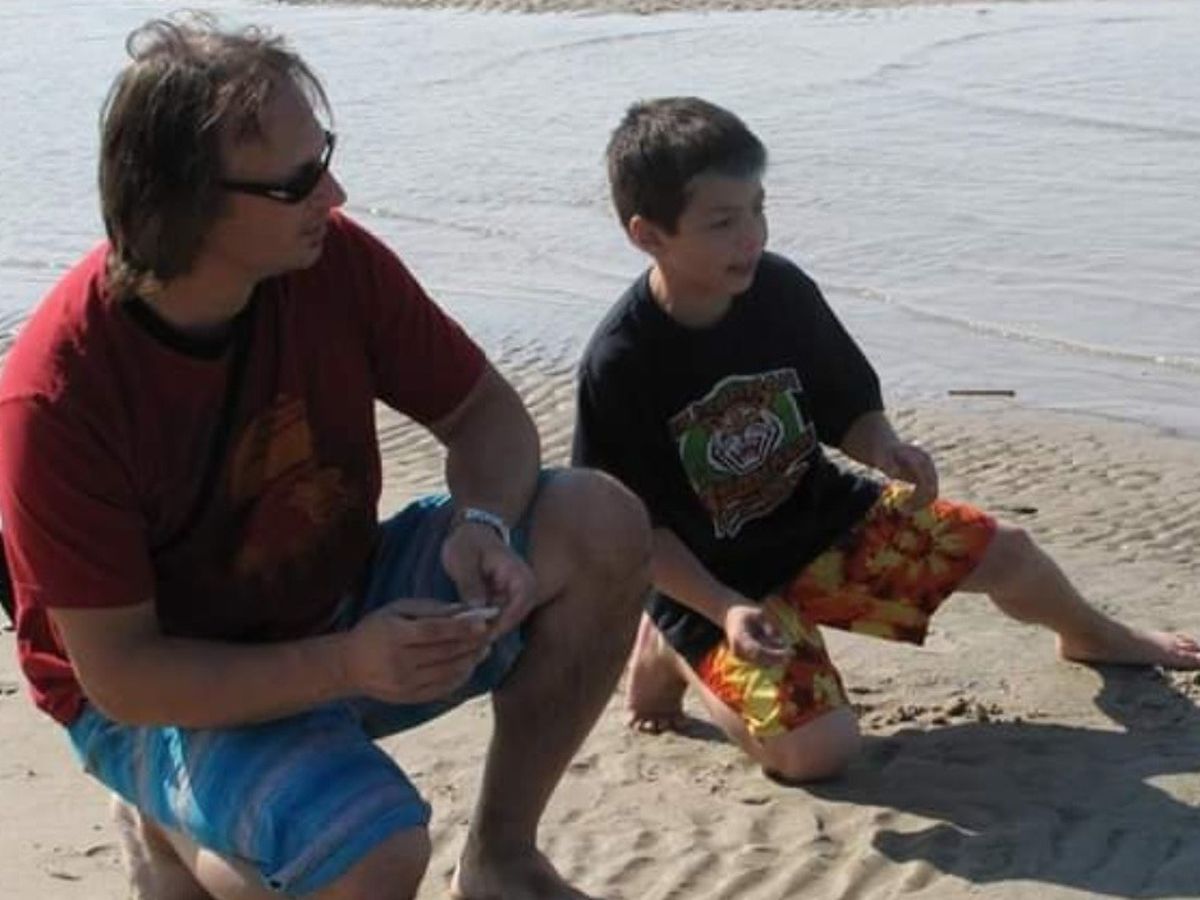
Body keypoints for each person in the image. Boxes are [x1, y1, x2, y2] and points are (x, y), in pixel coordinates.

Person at [0, 17, 650, 900]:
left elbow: (486, 415)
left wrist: (483, 524)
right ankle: (166, 818)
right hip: (162, 693)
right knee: (373, 854)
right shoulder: (58, 396)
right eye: (299, 180)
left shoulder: (332, 262)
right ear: (184, 204)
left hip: (332, 603)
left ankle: (501, 859)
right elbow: (123, 675)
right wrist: (347, 664)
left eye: (326, 158)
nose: (334, 194)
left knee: (597, 520)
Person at [572, 96, 1200, 785]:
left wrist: (886, 451)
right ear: (648, 235)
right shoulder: (621, 362)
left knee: (1011, 554)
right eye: (723, 222)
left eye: (758, 208)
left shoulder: (779, 290)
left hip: (820, 522)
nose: (751, 236)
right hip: (713, 584)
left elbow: (849, 409)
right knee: (819, 752)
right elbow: (632, 533)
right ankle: (669, 645)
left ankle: (1093, 636)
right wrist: (723, 608)